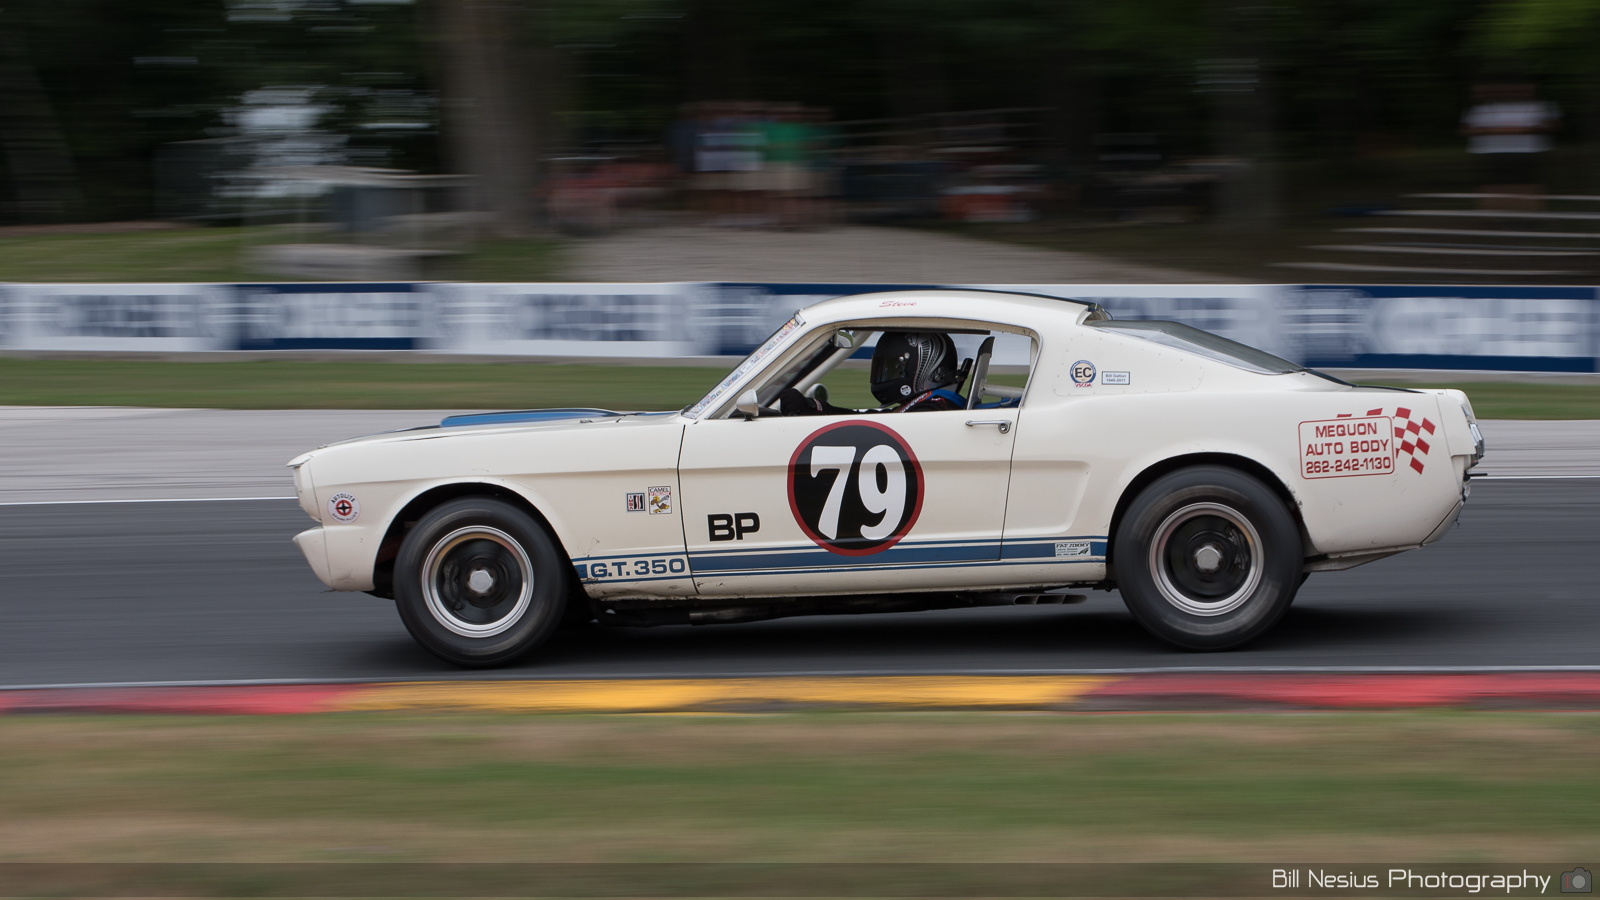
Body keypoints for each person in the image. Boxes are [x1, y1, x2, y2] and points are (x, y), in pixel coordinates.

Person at [778, 331, 967, 415]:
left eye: (893, 367)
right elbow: (875, 420)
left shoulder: (932, 410)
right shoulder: (930, 405)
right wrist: (817, 408)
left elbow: (874, 430)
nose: (884, 374)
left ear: (925, 365)